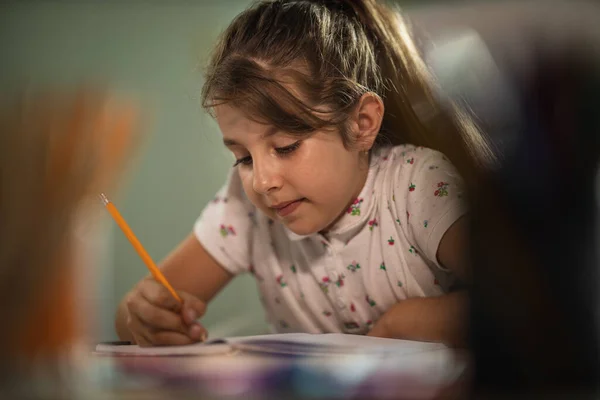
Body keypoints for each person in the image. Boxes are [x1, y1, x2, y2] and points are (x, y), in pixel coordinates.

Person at [115, 0, 493, 347]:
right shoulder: (245, 210)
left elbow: (528, 303)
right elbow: (136, 313)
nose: (263, 182)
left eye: (285, 147)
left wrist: (401, 324)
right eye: (243, 158)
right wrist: (142, 315)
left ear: (362, 123)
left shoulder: (418, 187)